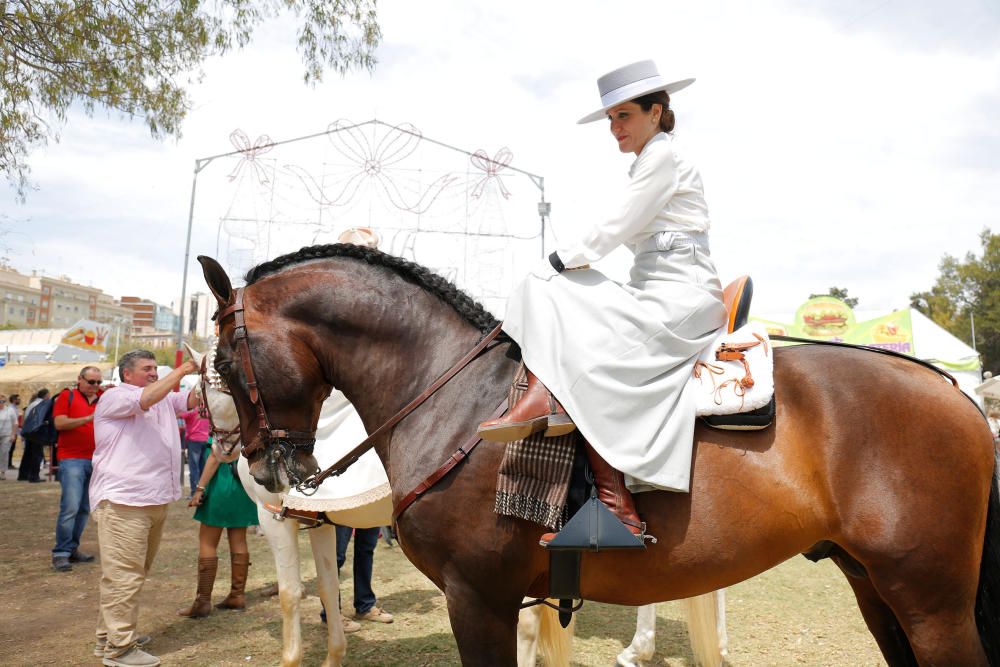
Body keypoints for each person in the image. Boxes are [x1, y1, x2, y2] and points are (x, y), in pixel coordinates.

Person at [478, 60, 727, 541]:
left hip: (682, 295)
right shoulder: (649, 160)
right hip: (653, 288)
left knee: (544, 286)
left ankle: (613, 500)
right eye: (610, 119)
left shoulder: (664, 157)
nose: (614, 128)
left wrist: (561, 258)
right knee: (557, 306)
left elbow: (620, 221)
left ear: (656, 112)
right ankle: (550, 409)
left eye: (624, 116)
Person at [90, 350, 199, 667]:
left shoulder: (162, 397)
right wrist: (184, 369)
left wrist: (211, 371)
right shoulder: (114, 397)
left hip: (153, 500)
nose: (154, 372)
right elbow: (147, 398)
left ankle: (107, 637)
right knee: (124, 577)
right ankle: (119, 650)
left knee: (128, 575)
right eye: (146, 368)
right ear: (127, 374)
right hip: (124, 502)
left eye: (155, 368)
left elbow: (192, 401)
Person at [177, 440, 258, 618]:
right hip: (241, 486)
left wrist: (199, 489)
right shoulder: (246, 423)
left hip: (219, 485)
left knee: (207, 541)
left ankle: (203, 602)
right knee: (239, 540)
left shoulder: (223, 423)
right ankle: (237, 596)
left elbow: (215, 457)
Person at [50, 367, 104, 571]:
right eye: (91, 382)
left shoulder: (103, 397)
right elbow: (60, 423)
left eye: (98, 382)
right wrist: (88, 419)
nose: (95, 387)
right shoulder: (67, 396)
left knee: (84, 508)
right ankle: (61, 552)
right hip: (71, 458)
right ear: (80, 380)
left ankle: (72, 548)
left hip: (96, 460)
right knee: (70, 507)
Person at [18, 389, 49, 482]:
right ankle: (34, 476)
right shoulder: (41, 405)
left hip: (29, 432)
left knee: (28, 454)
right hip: (36, 432)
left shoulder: (32, 404)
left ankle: (23, 474)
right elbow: (39, 420)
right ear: (46, 395)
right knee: (37, 454)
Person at [179, 406, 210, 497]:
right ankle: (202, 492)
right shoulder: (207, 410)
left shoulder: (192, 411)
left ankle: (194, 492)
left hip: (194, 440)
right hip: (206, 439)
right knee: (203, 467)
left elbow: (180, 415)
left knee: (194, 468)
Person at [0, 393, 17, 480]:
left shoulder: (10, 410)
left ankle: (2, 472)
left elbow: (15, 423)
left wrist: (13, 434)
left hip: (7, 434)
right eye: (0, 401)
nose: (1, 403)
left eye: (3, 401)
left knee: (4, 452)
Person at [7, 393, 21, 469]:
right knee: (10, 448)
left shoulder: (14, 408)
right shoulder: (11, 409)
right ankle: (8, 464)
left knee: (12, 448)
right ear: (13, 400)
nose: (19, 400)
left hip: (14, 431)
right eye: (18, 399)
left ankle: (9, 463)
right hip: (11, 431)